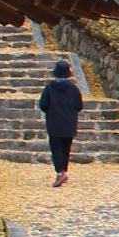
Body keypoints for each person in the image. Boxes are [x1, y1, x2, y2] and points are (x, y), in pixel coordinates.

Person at [38, 59, 84, 187]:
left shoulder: (50, 88)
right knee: (66, 147)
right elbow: (79, 106)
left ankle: (60, 171)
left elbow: (43, 104)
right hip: (69, 121)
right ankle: (63, 170)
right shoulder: (74, 89)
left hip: (54, 121)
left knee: (56, 147)